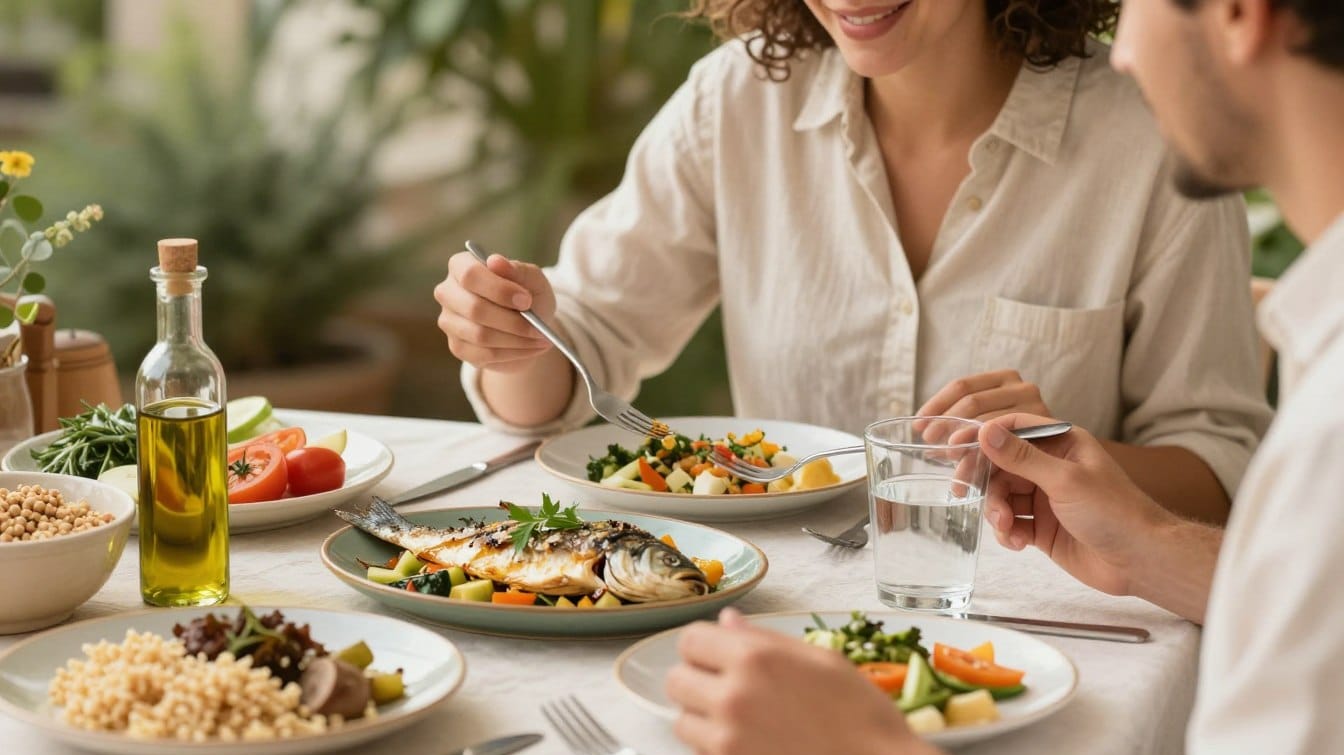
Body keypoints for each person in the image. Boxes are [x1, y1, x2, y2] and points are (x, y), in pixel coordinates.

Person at [666, 0, 1344, 755]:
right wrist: (1150, 548)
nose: (1119, 51)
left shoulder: (1327, 433)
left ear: (1240, 13)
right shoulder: (1323, 380)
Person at [434, 0, 1274, 523]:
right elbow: (570, 372)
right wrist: (517, 340)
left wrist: (1057, 457)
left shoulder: (1152, 139)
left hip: (1058, 642)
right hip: (783, 621)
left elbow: (1221, 471)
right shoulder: (736, 103)